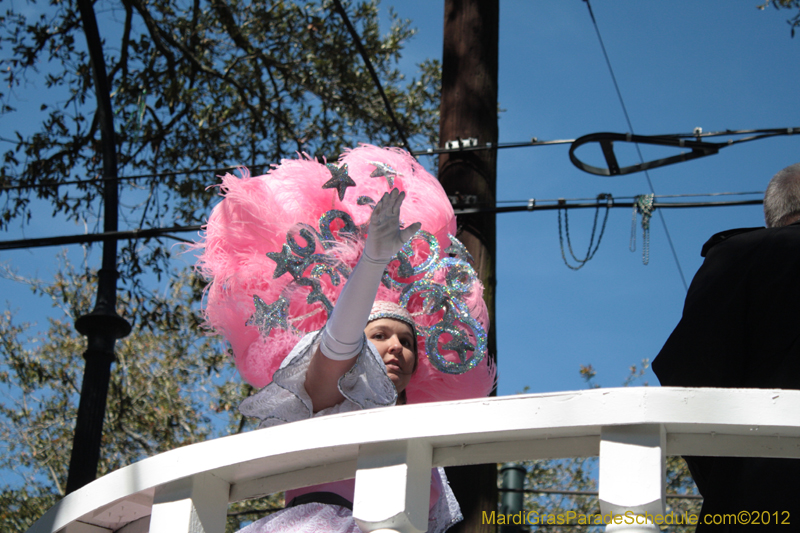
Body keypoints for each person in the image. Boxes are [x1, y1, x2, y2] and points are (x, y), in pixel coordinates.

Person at [197, 145, 495, 532]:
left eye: (408, 342)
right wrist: (373, 261)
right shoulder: (328, 395)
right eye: (380, 335)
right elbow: (339, 343)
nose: (397, 348)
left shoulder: (421, 439)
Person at [652, 163, 800, 530]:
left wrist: (723, 471)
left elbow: (688, 375)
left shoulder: (741, 256)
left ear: (771, 216)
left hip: (762, 498)